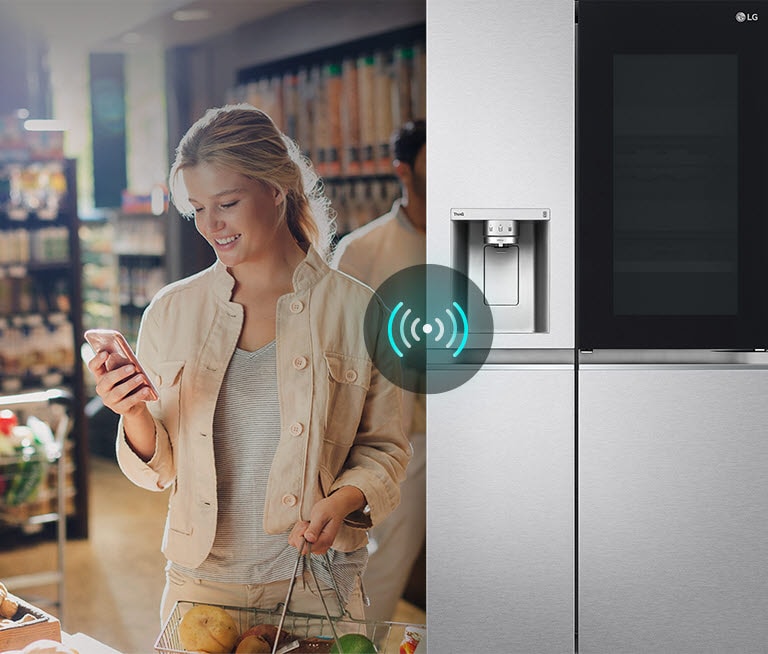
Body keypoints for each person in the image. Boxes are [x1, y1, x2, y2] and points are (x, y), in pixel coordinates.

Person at [87, 103, 410, 625]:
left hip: (317, 585)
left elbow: (386, 449)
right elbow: (160, 470)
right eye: (198, 209)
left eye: (228, 203)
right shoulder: (172, 311)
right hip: (200, 585)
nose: (211, 225)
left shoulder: (358, 310)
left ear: (276, 189)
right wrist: (133, 412)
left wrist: (342, 501)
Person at [331, 119, 426, 624]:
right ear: (403, 171)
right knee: (384, 563)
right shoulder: (363, 251)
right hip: (402, 440)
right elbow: (336, 349)